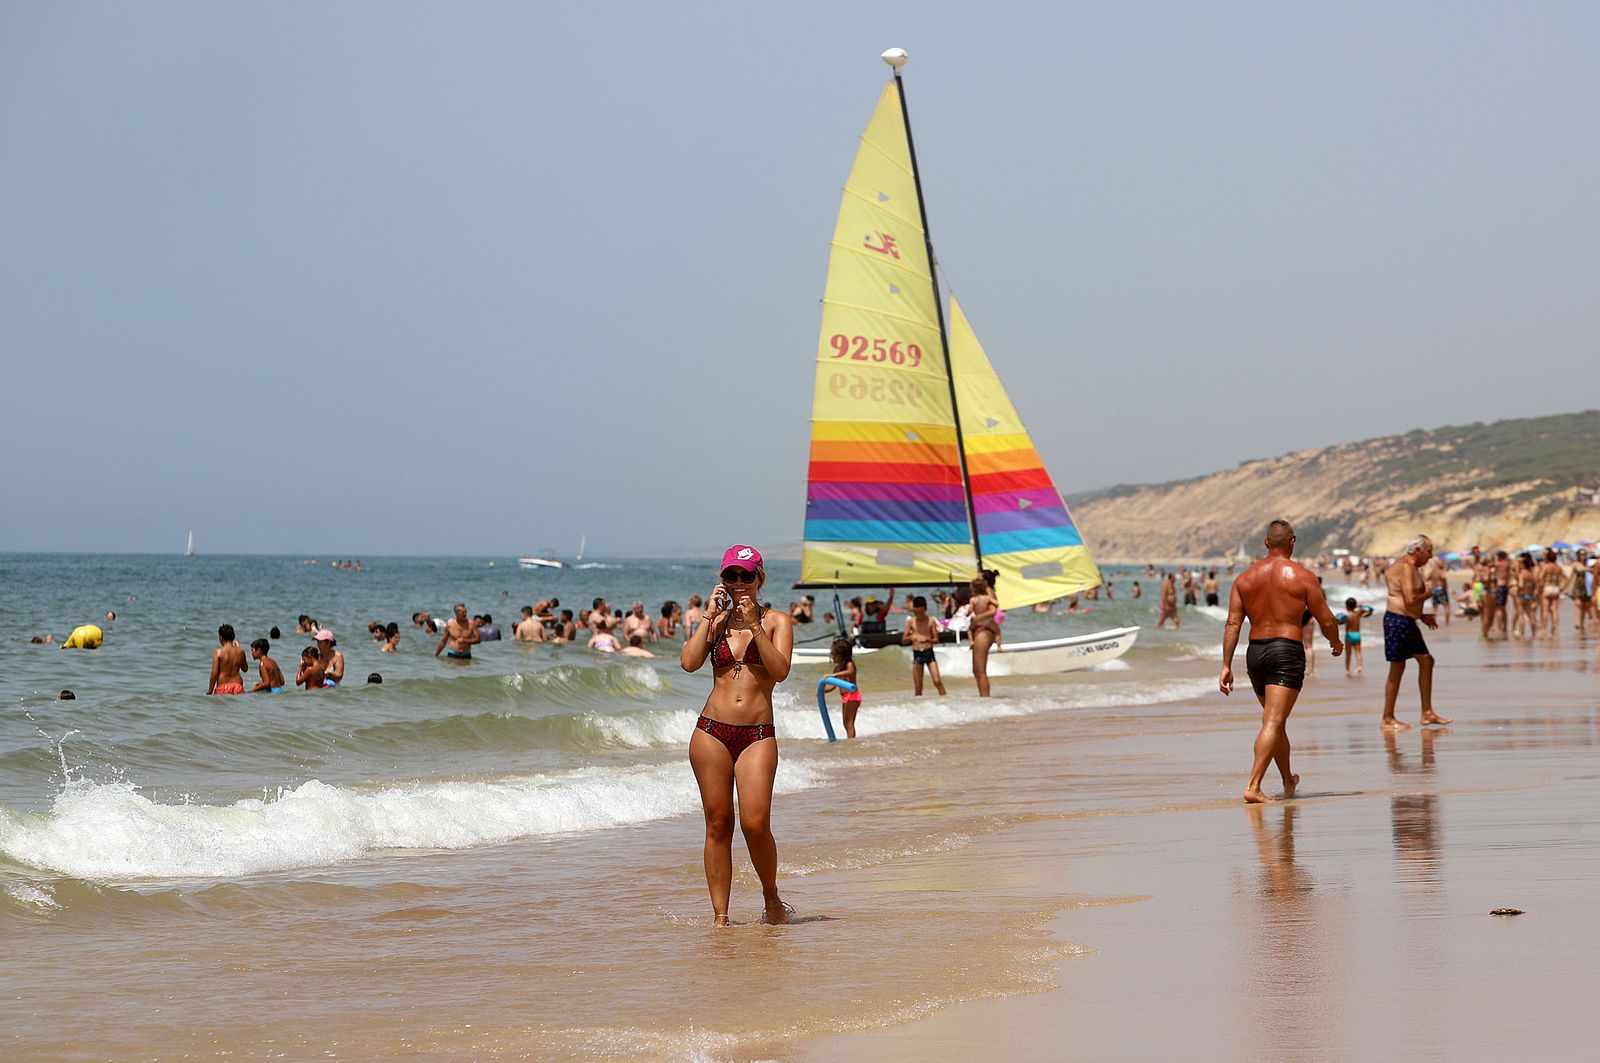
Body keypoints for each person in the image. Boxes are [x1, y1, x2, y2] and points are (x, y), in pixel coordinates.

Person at [681, 544, 794, 926]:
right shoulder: (716, 622)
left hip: (757, 735)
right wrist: (708, 618)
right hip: (711, 732)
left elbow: (779, 671)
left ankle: (771, 897)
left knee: (755, 822)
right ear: (723, 580)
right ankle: (721, 917)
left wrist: (755, 626)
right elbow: (688, 663)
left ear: (760, 578)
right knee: (717, 822)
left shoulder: (777, 621)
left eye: (747, 575)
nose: (740, 583)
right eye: (732, 576)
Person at [1219, 520, 1341, 803]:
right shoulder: (1302, 576)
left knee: (1274, 722)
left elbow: (1232, 623)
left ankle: (1288, 779)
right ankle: (1254, 785)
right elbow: (1326, 618)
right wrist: (1336, 643)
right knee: (1273, 721)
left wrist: (1225, 665)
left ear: (1265, 543)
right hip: (1285, 650)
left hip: (1256, 653)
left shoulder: (1244, 579)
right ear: (1292, 542)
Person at [1381, 535, 1453, 731]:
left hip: (1403, 620)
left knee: (1424, 662)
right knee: (1404, 666)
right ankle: (1389, 718)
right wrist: (1428, 593)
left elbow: (1407, 601)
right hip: (1398, 622)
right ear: (1418, 550)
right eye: (1429, 551)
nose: (1430, 556)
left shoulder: (1409, 567)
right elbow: (1410, 598)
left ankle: (1425, 712)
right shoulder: (1406, 567)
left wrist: (1421, 616)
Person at [901, 595, 947, 696]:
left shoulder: (930, 621)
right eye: (916, 612)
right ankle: (918, 708)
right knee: (918, 686)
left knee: (937, 681)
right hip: (917, 654)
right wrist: (911, 637)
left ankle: (945, 699)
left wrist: (927, 639)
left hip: (929, 653)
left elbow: (936, 640)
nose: (919, 614)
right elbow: (903, 640)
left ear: (925, 609)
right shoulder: (911, 622)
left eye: (921, 612)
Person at [966, 575, 1001, 697]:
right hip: (982, 628)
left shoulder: (988, 593)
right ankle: (983, 698)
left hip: (984, 630)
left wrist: (977, 619)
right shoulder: (985, 595)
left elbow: (993, 611)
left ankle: (985, 699)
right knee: (977, 670)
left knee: (980, 670)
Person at [827, 638, 861, 738]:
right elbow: (832, 686)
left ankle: (851, 743)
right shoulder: (837, 668)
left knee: (849, 723)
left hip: (853, 696)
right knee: (845, 723)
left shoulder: (849, 665)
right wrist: (822, 690)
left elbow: (850, 672)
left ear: (842, 655)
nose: (832, 657)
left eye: (834, 654)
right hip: (845, 697)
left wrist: (834, 675)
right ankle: (850, 740)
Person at [1337, 598, 1374, 675]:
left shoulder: (1347, 615)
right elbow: (1369, 610)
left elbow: (1338, 621)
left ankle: (1348, 670)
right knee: (1358, 652)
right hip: (1357, 635)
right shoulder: (1358, 613)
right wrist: (1358, 606)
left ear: (1346, 606)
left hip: (1349, 636)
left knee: (1348, 653)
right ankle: (1359, 667)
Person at [208, 624, 248, 695]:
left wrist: (210, 691)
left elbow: (214, 674)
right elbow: (245, 669)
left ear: (220, 638)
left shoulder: (218, 652)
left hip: (223, 687)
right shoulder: (240, 651)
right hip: (238, 686)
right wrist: (238, 648)